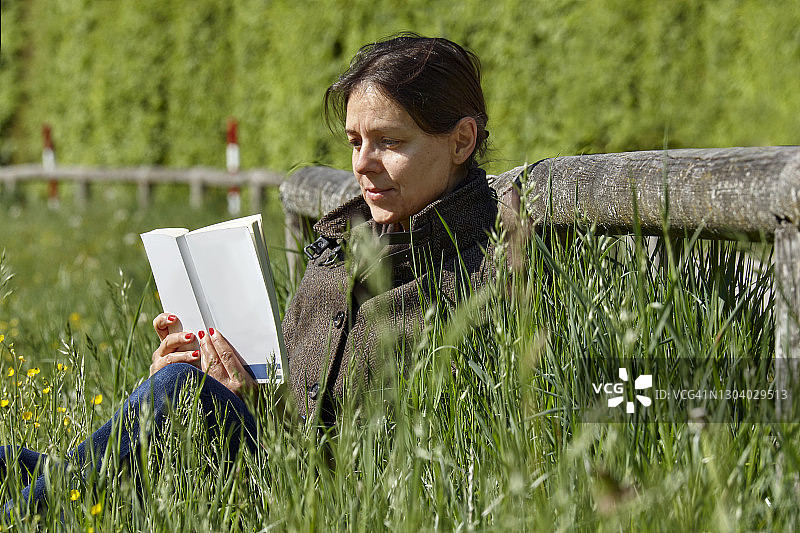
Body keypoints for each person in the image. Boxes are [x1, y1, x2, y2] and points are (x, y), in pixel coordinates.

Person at [1, 32, 498, 514]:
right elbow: (295, 407)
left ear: (461, 141)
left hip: (316, 504)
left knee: (174, 395)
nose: (363, 164)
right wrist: (211, 376)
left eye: (389, 142)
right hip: (256, 469)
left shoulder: (479, 276)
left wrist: (207, 400)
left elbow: (394, 467)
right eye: (355, 142)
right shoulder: (338, 248)